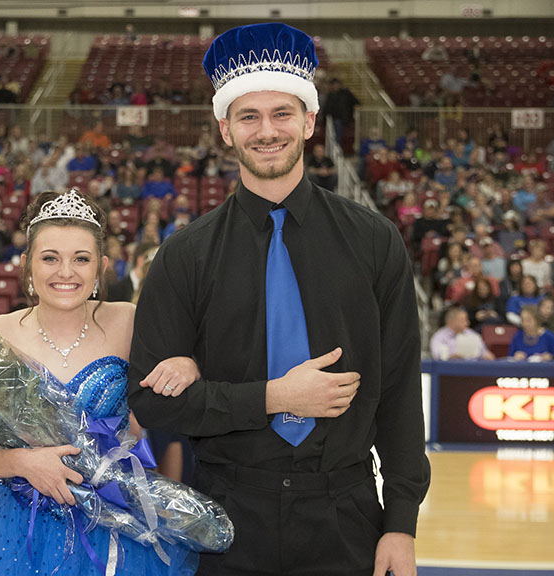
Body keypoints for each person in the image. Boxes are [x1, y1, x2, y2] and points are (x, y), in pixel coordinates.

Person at [127, 23, 429, 576]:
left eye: (282, 113)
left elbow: (401, 390)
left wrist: (401, 523)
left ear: (310, 121)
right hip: (224, 519)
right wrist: (273, 396)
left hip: (349, 515)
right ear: (225, 129)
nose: (267, 131)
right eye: (249, 116)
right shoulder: (183, 256)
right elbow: (152, 403)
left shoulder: (374, 240)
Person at [0, 190, 201, 575]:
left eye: (81, 259)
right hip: (14, 531)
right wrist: (24, 462)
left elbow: (183, 371)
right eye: (50, 258)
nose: (66, 272)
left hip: (115, 526)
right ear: (27, 265)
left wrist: (189, 364)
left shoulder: (129, 321)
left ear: (102, 266)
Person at [429, 307, 494, 360]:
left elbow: (487, 354)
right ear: (452, 321)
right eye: (463, 320)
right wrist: (451, 356)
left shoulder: (472, 334)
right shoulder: (439, 336)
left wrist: (488, 356)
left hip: (473, 371)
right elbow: (437, 355)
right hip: (449, 371)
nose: (467, 323)